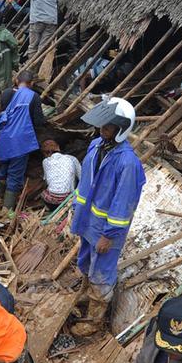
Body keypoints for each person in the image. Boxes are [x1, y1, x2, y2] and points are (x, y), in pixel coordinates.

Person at [69, 97, 145, 337]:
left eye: (108, 126)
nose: (102, 129)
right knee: (85, 261)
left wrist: (109, 236)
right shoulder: (95, 146)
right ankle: (86, 293)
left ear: (122, 128)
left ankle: (94, 319)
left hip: (105, 230)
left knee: (102, 273)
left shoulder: (128, 163)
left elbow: (123, 203)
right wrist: (75, 208)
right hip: (86, 222)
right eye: (102, 125)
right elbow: (85, 183)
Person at [0, 70, 45, 212]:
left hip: (5, 137)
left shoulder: (6, 93)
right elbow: (38, 121)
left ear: (17, 81)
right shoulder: (33, 97)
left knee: (4, 168)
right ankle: (6, 211)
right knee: (15, 174)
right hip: (21, 141)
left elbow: (4, 111)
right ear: (32, 83)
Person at [40, 140, 81, 208]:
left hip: (50, 200)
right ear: (58, 148)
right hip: (68, 199)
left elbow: (47, 181)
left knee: (44, 193)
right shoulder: (72, 159)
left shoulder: (45, 161)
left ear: (46, 153)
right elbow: (81, 177)